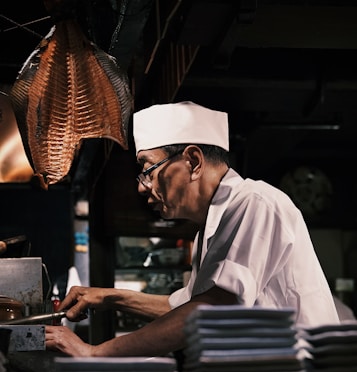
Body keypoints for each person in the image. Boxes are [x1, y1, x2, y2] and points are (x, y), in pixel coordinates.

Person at [45, 101, 340, 357]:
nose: (141, 186)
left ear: (193, 161)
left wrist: (94, 353)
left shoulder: (254, 203)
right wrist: (110, 297)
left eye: (147, 169)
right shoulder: (210, 229)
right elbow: (186, 305)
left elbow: (212, 310)